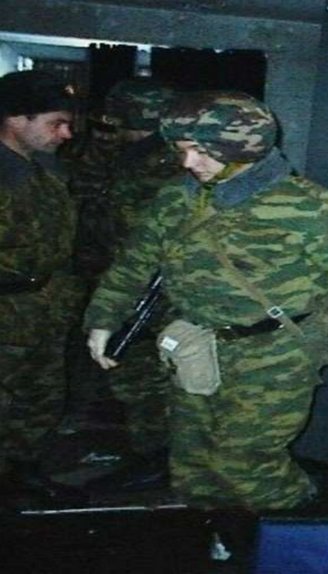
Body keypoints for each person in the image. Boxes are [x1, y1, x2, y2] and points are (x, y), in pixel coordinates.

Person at [82, 90, 328, 563]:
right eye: (182, 151)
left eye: (202, 152)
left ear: (243, 148)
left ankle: (311, 534)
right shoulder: (177, 198)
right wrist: (103, 318)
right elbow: (134, 263)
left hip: (275, 353)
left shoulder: (309, 205)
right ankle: (233, 540)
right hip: (197, 346)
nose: (189, 163)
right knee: (194, 465)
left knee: (246, 465)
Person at [81, 78, 184, 494]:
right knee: (133, 378)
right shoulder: (126, 157)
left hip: (155, 291)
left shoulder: (172, 165)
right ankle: (152, 455)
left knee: (145, 380)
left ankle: (158, 460)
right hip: (125, 281)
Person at [0, 70, 87, 508]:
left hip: (43, 311)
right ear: (18, 119)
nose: (67, 134)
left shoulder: (46, 170)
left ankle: (20, 476)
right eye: (57, 123)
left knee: (39, 401)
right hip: (5, 308)